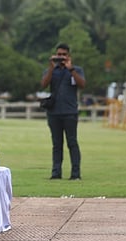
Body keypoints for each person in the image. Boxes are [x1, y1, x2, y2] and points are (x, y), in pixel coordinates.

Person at [41, 43, 85, 180]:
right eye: (59, 55)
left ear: (68, 56)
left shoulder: (76, 69)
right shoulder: (51, 70)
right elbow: (43, 84)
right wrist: (51, 67)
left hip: (70, 112)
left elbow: (82, 84)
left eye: (64, 55)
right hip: (54, 113)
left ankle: (75, 173)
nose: (61, 57)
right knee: (56, 144)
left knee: (72, 143)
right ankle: (56, 173)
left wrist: (70, 69)